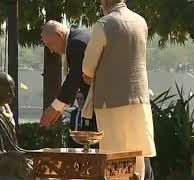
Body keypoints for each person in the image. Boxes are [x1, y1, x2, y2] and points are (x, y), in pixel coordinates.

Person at [81, 0, 156, 180]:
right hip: (140, 101)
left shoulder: (104, 24)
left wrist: (89, 75)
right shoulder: (141, 22)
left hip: (111, 103)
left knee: (114, 160)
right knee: (138, 158)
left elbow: (87, 68)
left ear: (105, 1)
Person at [40, 20, 96, 130]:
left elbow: (74, 78)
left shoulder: (76, 43)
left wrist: (54, 107)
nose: (51, 50)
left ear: (59, 34)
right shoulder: (77, 38)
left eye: (50, 44)